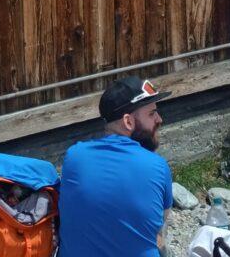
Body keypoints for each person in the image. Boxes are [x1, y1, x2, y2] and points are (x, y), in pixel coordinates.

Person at [58, 77, 172, 257]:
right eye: (151, 114)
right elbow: (159, 229)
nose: (160, 119)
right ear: (128, 122)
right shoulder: (157, 166)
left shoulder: (74, 156)